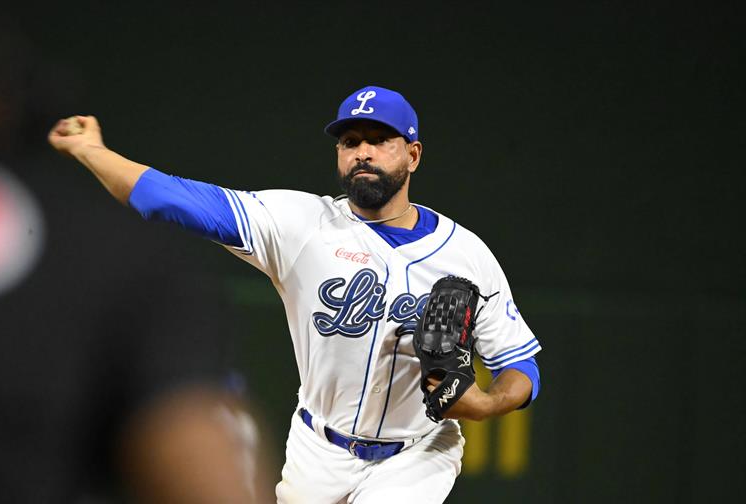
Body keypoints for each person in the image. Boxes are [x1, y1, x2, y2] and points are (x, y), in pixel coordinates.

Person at [48, 85, 542, 503]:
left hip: (417, 453)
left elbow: (521, 367)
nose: (363, 152)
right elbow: (167, 199)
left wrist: (485, 405)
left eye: (379, 140)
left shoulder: (465, 254)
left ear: (413, 154)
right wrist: (91, 151)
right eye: (350, 141)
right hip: (317, 447)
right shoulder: (301, 225)